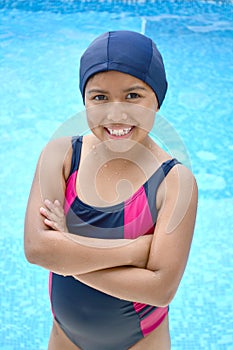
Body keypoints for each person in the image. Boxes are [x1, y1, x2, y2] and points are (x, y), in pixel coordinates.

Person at [24, 30, 198, 350]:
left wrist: (65, 254)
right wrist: (132, 252)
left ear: (157, 99)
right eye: (100, 97)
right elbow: (37, 249)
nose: (116, 114)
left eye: (133, 96)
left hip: (142, 341)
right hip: (65, 338)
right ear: (85, 101)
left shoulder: (174, 181)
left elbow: (161, 289)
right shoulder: (61, 156)